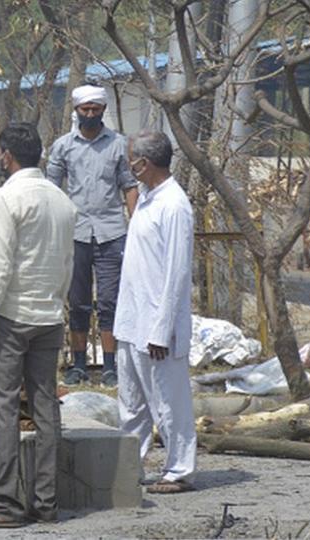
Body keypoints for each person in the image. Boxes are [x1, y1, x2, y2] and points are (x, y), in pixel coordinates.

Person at [0, 123, 76, 528]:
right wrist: (55, 304)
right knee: (46, 409)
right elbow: (68, 265)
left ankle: (6, 505)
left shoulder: (8, 196)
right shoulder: (62, 201)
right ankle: (46, 503)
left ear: (6, 155)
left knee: (5, 408)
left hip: (12, 318)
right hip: (49, 317)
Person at [114, 130, 197, 494]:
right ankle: (129, 467)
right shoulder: (147, 199)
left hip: (156, 326)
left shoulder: (174, 206)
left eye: (132, 158)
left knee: (168, 403)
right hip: (131, 321)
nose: (128, 164)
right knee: (132, 405)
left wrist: (161, 330)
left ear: (144, 164)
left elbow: (177, 274)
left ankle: (179, 470)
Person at [46, 84, 139, 388]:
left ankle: (111, 367)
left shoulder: (118, 145)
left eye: (95, 109)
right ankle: (78, 364)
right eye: (84, 110)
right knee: (78, 302)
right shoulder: (63, 146)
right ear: (76, 111)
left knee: (111, 302)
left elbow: (129, 187)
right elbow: (51, 189)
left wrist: (136, 226)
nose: (89, 114)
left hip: (112, 232)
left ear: (102, 110)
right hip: (75, 234)